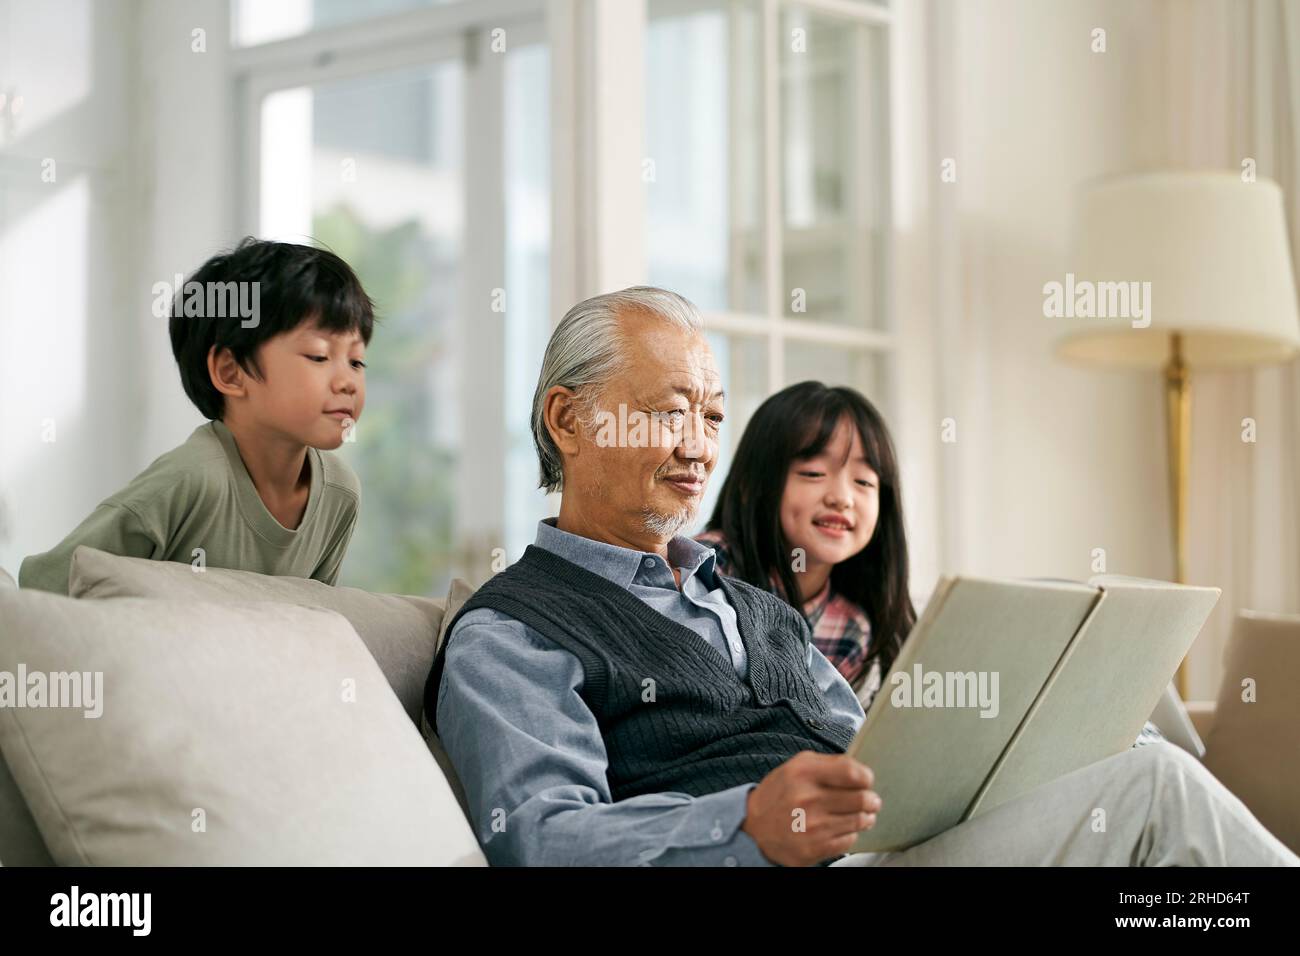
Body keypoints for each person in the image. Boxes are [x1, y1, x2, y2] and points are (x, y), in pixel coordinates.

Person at [424, 285, 1296, 867]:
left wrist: (1037, 747)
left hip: (886, 851)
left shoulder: (753, 606)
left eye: (712, 415)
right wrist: (748, 825)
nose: (698, 444)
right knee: (1158, 791)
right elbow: (539, 837)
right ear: (567, 420)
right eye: (666, 412)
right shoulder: (514, 629)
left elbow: (872, 746)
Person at [20, 238, 371, 593]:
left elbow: (316, 623)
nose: (348, 382)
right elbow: (45, 588)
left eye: (356, 361)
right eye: (318, 356)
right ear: (231, 373)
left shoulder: (341, 494)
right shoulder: (192, 479)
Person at [697, 381, 913, 711]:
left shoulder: (853, 629)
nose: (841, 498)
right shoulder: (706, 569)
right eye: (813, 473)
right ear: (750, 485)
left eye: (864, 481)